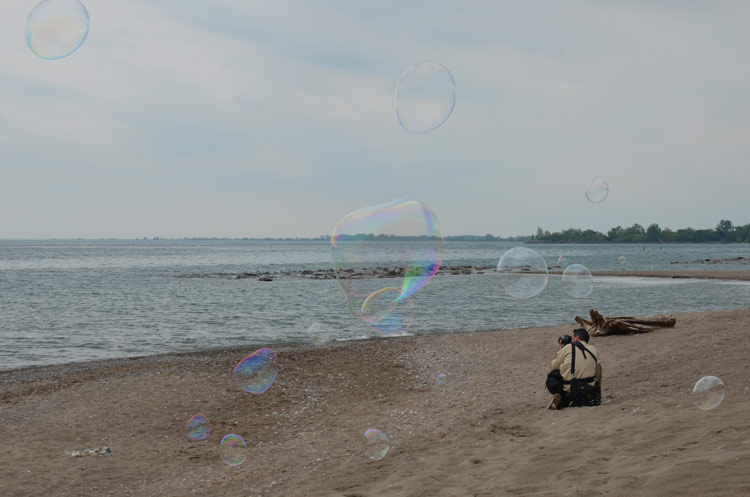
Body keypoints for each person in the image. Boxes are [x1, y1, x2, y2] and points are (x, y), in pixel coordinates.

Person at [546, 328, 601, 410]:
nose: (571, 340)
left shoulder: (568, 347)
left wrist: (560, 351)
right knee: (598, 367)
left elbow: (553, 366)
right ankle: (593, 391)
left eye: (572, 338)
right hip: (588, 389)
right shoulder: (594, 350)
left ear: (577, 338)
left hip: (571, 390)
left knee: (554, 374)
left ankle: (560, 396)